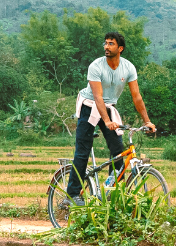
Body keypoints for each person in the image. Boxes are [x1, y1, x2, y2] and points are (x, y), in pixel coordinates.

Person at [65, 31, 157, 206]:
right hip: (90, 106)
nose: (106, 47)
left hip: (109, 107)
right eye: (105, 43)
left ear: (120, 48)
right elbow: (98, 97)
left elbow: (136, 96)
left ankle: (110, 191)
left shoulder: (128, 68)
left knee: (118, 151)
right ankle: (72, 195)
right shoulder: (96, 66)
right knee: (82, 151)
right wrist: (107, 122)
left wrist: (147, 121)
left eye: (111, 44)